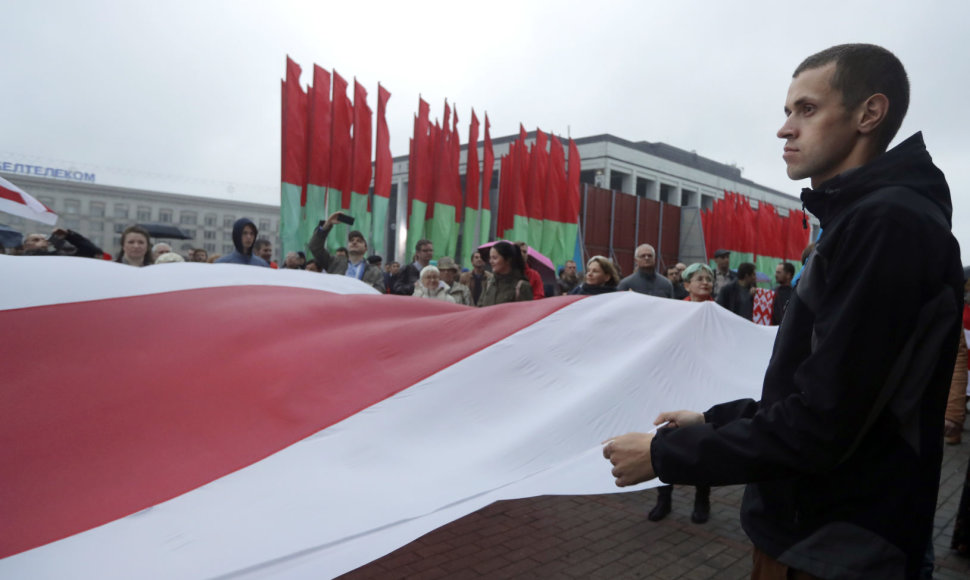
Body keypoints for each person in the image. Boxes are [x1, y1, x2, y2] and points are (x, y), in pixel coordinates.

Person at [602, 44, 963, 579]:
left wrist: (666, 457)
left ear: (869, 114)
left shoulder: (886, 226)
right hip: (816, 534)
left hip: (836, 545)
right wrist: (712, 420)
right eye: (787, 111)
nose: (785, 128)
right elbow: (821, 393)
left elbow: (823, 424)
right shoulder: (863, 221)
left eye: (807, 109)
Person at [647, 261, 715, 524]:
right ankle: (664, 498)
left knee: (703, 441)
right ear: (686, 284)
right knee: (667, 435)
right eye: (699, 278)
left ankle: (702, 499)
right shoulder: (674, 312)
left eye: (708, 278)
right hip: (675, 383)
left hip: (705, 385)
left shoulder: (717, 313)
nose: (705, 282)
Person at [308, 213, 385, 292]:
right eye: (351, 241)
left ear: (365, 248)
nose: (354, 242)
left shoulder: (374, 271)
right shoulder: (335, 263)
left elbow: (379, 291)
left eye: (359, 241)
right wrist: (326, 226)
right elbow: (315, 247)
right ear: (348, 246)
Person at [478, 241, 532, 306]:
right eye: (490, 258)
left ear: (508, 259)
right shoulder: (488, 284)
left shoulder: (521, 286)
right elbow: (479, 309)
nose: (491, 261)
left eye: (495, 258)